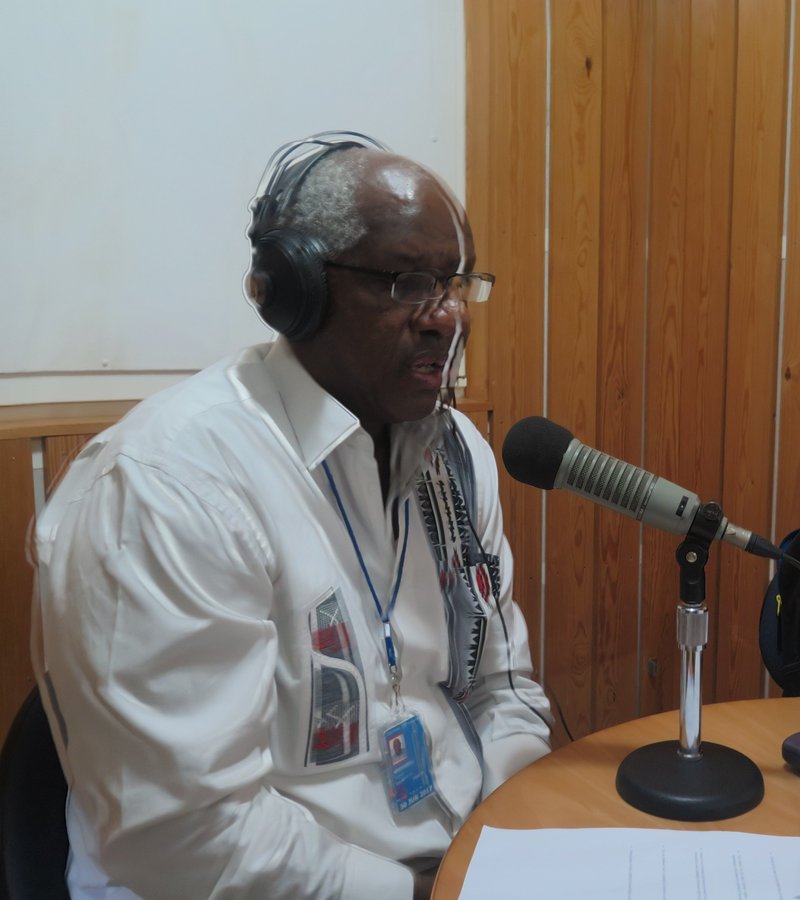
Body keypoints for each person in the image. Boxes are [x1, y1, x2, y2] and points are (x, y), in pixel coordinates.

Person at [32, 132, 552, 899]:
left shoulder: (457, 454)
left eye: (456, 283)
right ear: (296, 290)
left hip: (455, 864)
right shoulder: (170, 486)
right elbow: (188, 838)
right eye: (409, 283)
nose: (448, 318)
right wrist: (425, 893)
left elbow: (502, 689)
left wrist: (516, 844)